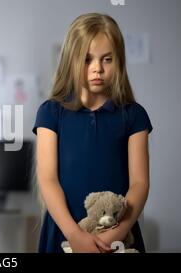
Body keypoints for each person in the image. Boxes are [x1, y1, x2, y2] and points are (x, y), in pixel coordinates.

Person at [33, 13, 152, 253]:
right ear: (71, 60)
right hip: (63, 231)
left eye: (107, 59)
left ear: (118, 61)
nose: (97, 68)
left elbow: (139, 183)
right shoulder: (50, 113)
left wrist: (116, 234)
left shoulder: (134, 116)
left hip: (119, 233)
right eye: (87, 60)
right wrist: (74, 235)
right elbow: (48, 180)